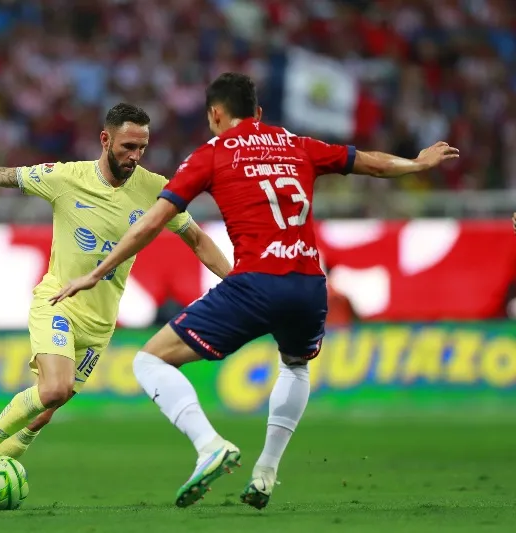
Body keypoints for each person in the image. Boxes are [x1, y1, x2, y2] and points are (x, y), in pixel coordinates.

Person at [51, 73, 460, 509]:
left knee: (150, 360)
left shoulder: (211, 154)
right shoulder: (298, 144)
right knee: (296, 365)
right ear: (258, 113)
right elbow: (372, 163)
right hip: (309, 284)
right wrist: (417, 163)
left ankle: (209, 446)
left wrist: (97, 272)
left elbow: (151, 223)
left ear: (215, 114)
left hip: (256, 282)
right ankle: (266, 472)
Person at [0, 103, 232, 511]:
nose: (135, 156)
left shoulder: (155, 189)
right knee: (54, 388)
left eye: (142, 147)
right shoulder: (65, 177)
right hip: (58, 303)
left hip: (100, 324)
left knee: (43, 412)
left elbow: (197, 239)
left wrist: (237, 282)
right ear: (105, 139)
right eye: (128, 146)